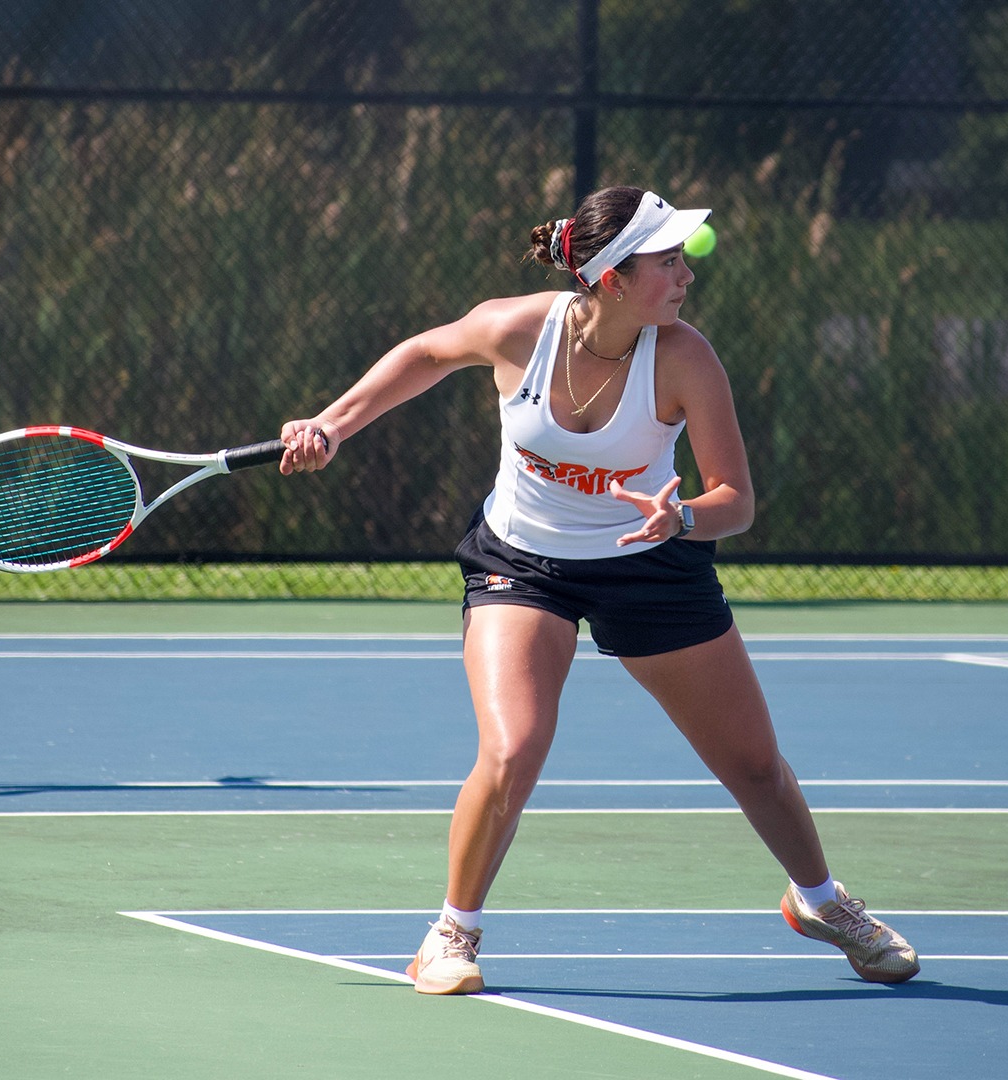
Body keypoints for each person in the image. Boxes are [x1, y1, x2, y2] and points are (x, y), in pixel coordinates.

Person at [277, 185, 919, 994]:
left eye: (684, 259)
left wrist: (681, 516)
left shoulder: (686, 357)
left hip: (651, 564)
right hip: (525, 562)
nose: (686, 275)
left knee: (754, 766)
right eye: (668, 262)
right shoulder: (520, 328)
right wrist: (330, 424)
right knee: (513, 748)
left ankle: (823, 902)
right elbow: (427, 354)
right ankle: (451, 935)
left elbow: (739, 501)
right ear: (613, 277)